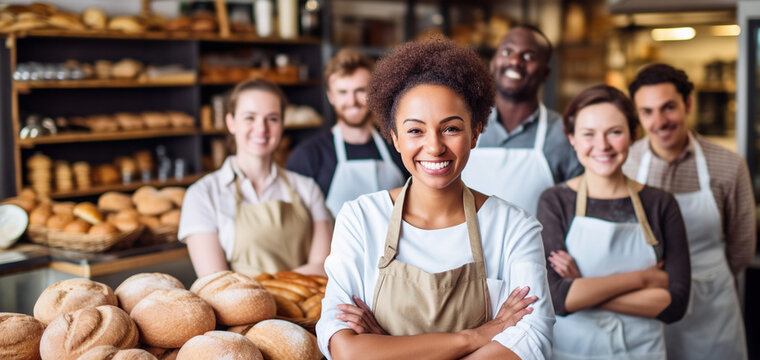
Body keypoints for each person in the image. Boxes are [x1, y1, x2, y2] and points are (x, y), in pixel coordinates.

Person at [315, 38, 554, 360]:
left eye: (451, 128)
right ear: (395, 138)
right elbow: (346, 350)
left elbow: (533, 342)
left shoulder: (514, 227)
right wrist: (474, 337)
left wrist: (389, 348)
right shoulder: (360, 219)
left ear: (475, 133)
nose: (435, 147)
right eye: (415, 131)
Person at [538, 85, 691, 359]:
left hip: (643, 353)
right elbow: (558, 298)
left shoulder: (661, 204)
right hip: (574, 353)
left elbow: (675, 305)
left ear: (633, 135)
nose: (602, 146)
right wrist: (643, 279)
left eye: (615, 132)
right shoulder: (555, 201)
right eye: (588, 134)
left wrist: (582, 286)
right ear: (571, 138)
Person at [623, 63, 754, 359]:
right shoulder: (625, 163)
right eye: (647, 111)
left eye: (668, 107)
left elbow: (742, 247)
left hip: (711, 307)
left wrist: (708, 274)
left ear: (688, 104)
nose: (659, 121)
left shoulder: (729, 165)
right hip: (645, 305)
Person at [179, 78, 333, 277]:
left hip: (310, 299)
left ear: (282, 124)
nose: (261, 128)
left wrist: (267, 285)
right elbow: (216, 283)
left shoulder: (307, 188)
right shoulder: (202, 194)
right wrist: (287, 285)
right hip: (239, 301)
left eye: (272, 119)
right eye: (250, 118)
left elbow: (323, 267)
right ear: (231, 123)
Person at [461, 25, 582, 215]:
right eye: (507, 52)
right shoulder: (464, 125)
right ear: (493, 62)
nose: (515, 61)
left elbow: (576, 209)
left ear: (545, 73)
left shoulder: (564, 135)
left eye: (528, 57)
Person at [287, 49, 407, 215]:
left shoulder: (399, 146)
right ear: (331, 96)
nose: (352, 101)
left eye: (360, 90)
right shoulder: (307, 156)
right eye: (343, 92)